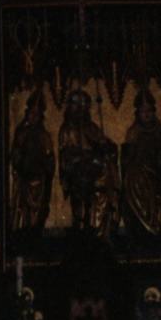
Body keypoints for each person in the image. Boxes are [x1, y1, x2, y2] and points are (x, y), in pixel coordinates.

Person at [59, 86, 118, 238]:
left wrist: (107, 147)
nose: (80, 109)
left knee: (106, 177)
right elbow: (66, 156)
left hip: (96, 174)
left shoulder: (91, 127)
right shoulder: (67, 129)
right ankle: (87, 231)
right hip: (80, 173)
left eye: (84, 105)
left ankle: (101, 230)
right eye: (77, 105)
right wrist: (86, 157)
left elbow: (104, 143)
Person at [121, 87, 161, 242]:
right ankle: (140, 234)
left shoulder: (158, 129)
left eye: (149, 111)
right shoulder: (134, 131)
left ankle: (151, 230)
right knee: (137, 205)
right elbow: (128, 155)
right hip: (137, 174)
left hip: (153, 173)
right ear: (138, 114)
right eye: (143, 111)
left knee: (152, 203)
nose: (146, 114)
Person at [9, 90, 54, 241]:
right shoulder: (21, 132)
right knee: (22, 208)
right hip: (23, 177)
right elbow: (15, 151)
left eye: (37, 114)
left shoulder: (44, 135)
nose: (33, 117)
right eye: (31, 113)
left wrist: (46, 170)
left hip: (38, 180)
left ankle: (33, 233)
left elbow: (49, 156)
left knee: (37, 210)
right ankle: (22, 232)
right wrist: (17, 159)